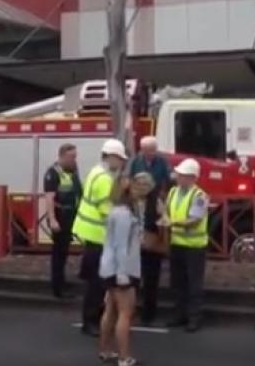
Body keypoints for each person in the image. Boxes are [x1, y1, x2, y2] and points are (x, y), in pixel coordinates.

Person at [73, 138, 128, 337]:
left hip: (91, 235)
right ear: (110, 157)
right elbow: (107, 210)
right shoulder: (104, 178)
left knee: (95, 281)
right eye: (120, 159)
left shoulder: (97, 171)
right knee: (97, 282)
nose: (122, 163)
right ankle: (91, 321)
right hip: (97, 236)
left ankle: (92, 319)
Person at [98, 173, 151, 366]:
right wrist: (122, 275)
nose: (141, 191)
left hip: (111, 268)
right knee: (125, 313)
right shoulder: (123, 215)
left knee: (111, 310)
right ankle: (124, 357)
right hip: (122, 270)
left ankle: (105, 351)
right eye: (136, 188)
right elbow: (121, 246)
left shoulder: (119, 211)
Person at [128, 136, 171, 325]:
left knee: (151, 280)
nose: (142, 188)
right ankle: (131, 311)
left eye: (146, 185)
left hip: (152, 245)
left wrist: (162, 236)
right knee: (133, 280)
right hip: (135, 245)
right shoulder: (131, 202)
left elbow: (165, 221)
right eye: (140, 185)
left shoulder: (157, 201)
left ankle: (148, 314)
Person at [163, 158, 209, 333]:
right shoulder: (173, 192)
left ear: (191, 177)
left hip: (194, 246)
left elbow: (194, 220)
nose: (177, 177)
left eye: (181, 175)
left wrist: (171, 223)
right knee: (178, 283)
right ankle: (179, 315)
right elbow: (167, 211)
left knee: (194, 284)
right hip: (177, 244)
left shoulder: (200, 197)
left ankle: (194, 318)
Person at [44, 143, 82, 299]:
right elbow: (49, 198)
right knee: (58, 253)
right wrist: (53, 220)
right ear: (61, 156)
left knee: (64, 252)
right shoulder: (53, 173)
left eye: (75, 156)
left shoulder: (72, 170)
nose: (74, 159)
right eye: (71, 156)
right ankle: (58, 288)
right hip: (60, 215)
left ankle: (62, 282)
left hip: (71, 215)